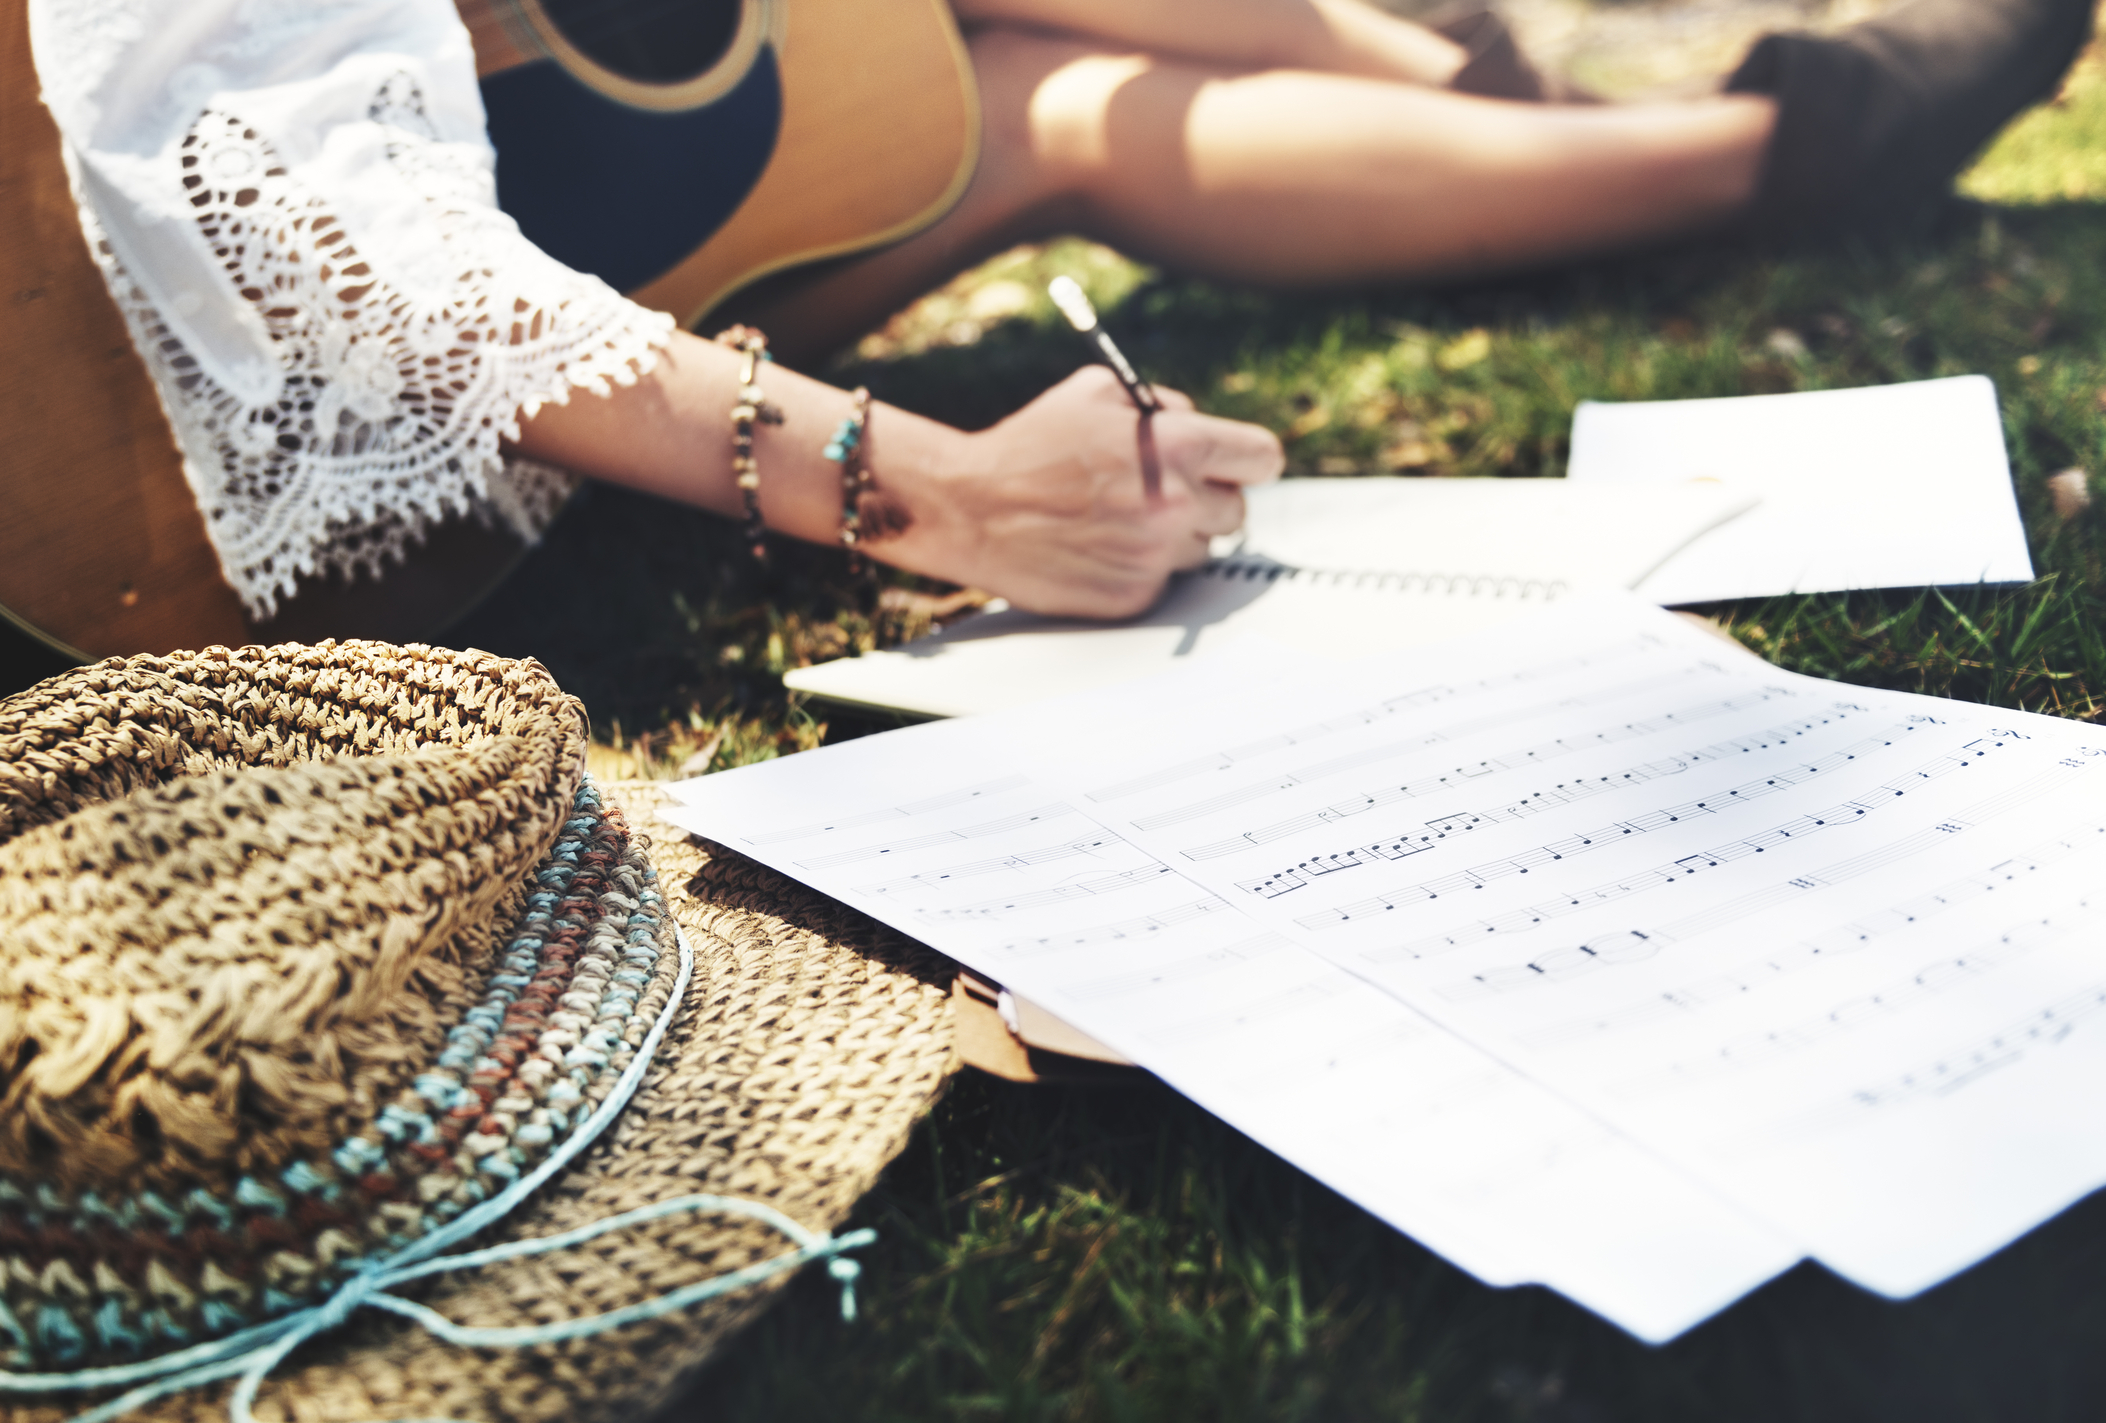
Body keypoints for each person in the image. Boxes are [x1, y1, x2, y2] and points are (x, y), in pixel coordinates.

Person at [27, 0, 2091, 628]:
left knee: (1025, 108)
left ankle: (1733, 143)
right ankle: (1599, 103)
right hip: (148, 381)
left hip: (556, 148)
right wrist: (933, 488)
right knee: (1034, 104)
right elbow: (333, 241)